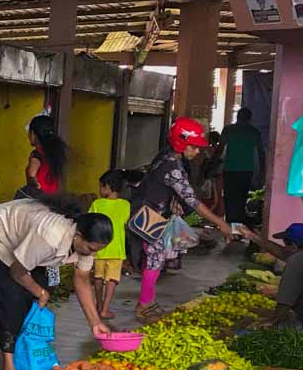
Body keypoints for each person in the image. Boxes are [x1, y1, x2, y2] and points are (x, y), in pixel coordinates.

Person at [0, 195, 112, 370]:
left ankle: (25, 355)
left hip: (26, 243)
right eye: (91, 249)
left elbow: (82, 279)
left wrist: (95, 322)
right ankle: (9, 368)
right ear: (78, 235)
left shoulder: (85, 245)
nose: (92, 254)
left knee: (33, 301)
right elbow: (17, 271)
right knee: (10, 301)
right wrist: (39, 291)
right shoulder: (50, 236)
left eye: (97, 251)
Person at [131, 118, 234, 321]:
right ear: (181, 143)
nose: (197, 152)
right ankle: (143, 305)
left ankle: (147, 301)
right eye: (194, 147)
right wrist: (220, 222)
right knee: (154, 260)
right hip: (151, 218)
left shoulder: (167, 157)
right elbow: (193, 201)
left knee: (155, 259)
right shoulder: (173, 168)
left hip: (151, 212)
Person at [88, 171, 130, 320]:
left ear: (108, 187)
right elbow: (125, 223)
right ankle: (105, 309)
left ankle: (98, 305)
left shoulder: (97, 204)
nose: (100, 190)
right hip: (117, 249)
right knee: (112, 279)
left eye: (101, 187)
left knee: (98, 277)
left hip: (99, 247)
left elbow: (90, 223)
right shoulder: (125, 205)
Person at [221, 108, 266, 225]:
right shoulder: (254, 131)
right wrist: (262, 172)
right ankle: (239, 227)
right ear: (250, 118)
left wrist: (211, 165)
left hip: (230, 170)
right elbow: (261, 154)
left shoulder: (228, 129)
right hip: (246, 171)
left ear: (237, 117)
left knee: (229, 199)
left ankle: (230, 225)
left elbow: (219, 149)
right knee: (241, 200)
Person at [25, 114, 66, 195]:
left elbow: (31, 174)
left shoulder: (37, 153)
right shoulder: (55, 152)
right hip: (54, 198)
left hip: (41, 198)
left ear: (33, 134)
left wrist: (34, 188)